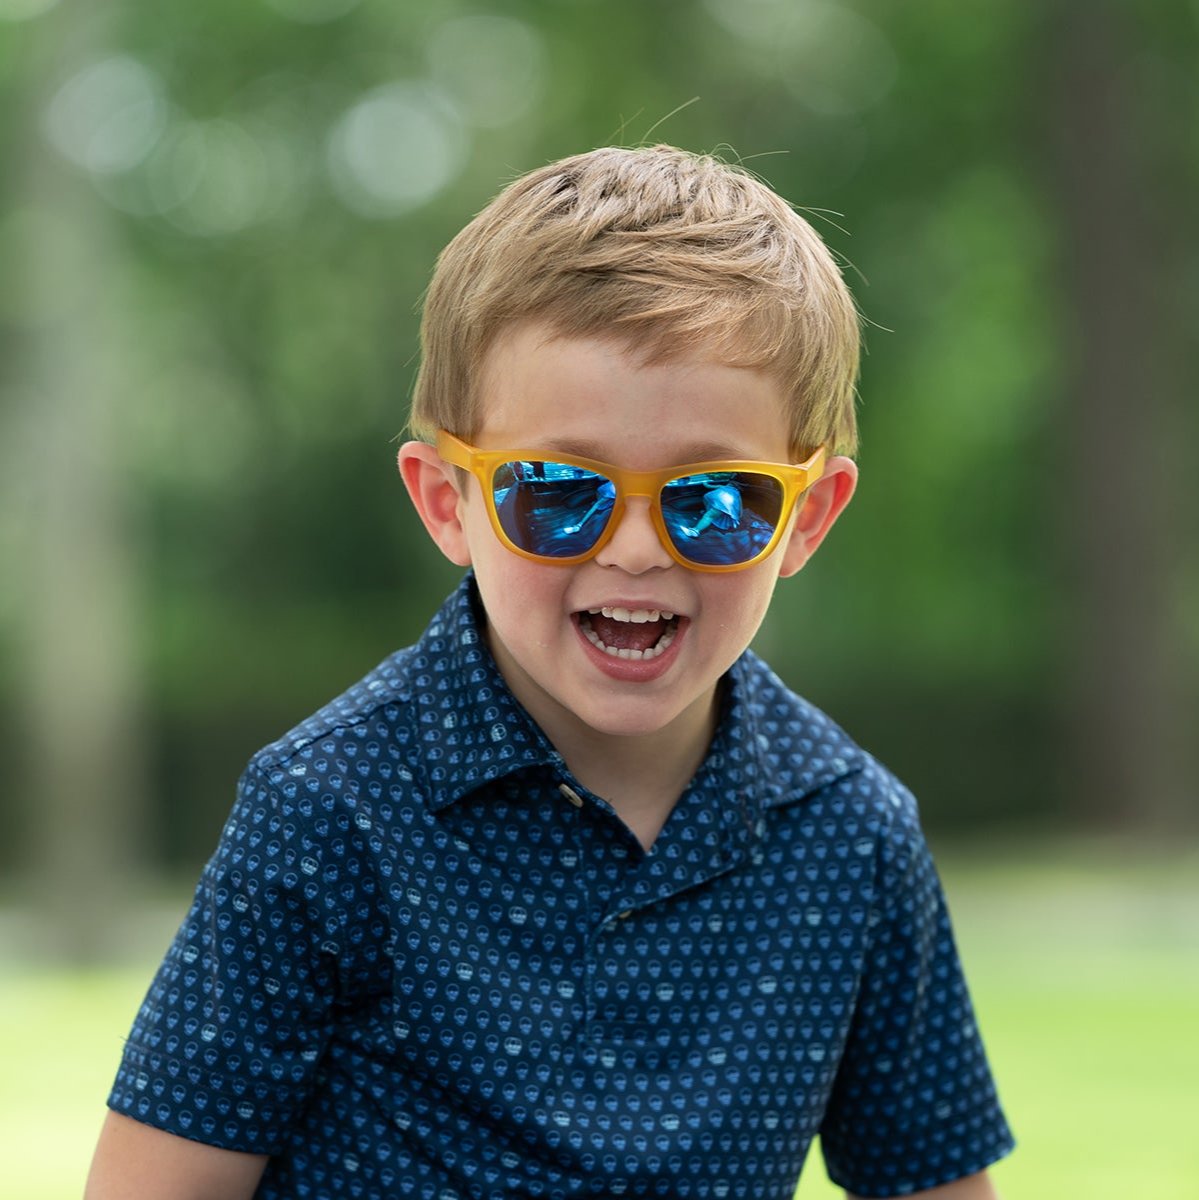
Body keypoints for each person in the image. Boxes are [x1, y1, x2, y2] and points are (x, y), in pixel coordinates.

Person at [86, 145, 1014, 1199]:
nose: (631, 549)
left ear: (803, 517)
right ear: (447, 501)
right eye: (556, 491)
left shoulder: (852, 833)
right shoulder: (326, 811)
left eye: (716, 499)